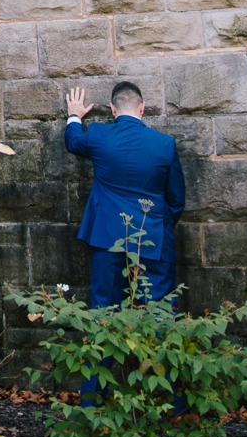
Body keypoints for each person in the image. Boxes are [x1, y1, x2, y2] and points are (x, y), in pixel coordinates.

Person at [65, 81, 185, 306]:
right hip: (153, 237)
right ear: (142, 108)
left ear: (113, 109)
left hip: (107, 236)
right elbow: (176, 200)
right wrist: (160, 224)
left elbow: (72, 142)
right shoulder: (164, 144)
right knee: (158, 309)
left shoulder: (98, 135)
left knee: (105, 308)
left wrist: (74, 116)